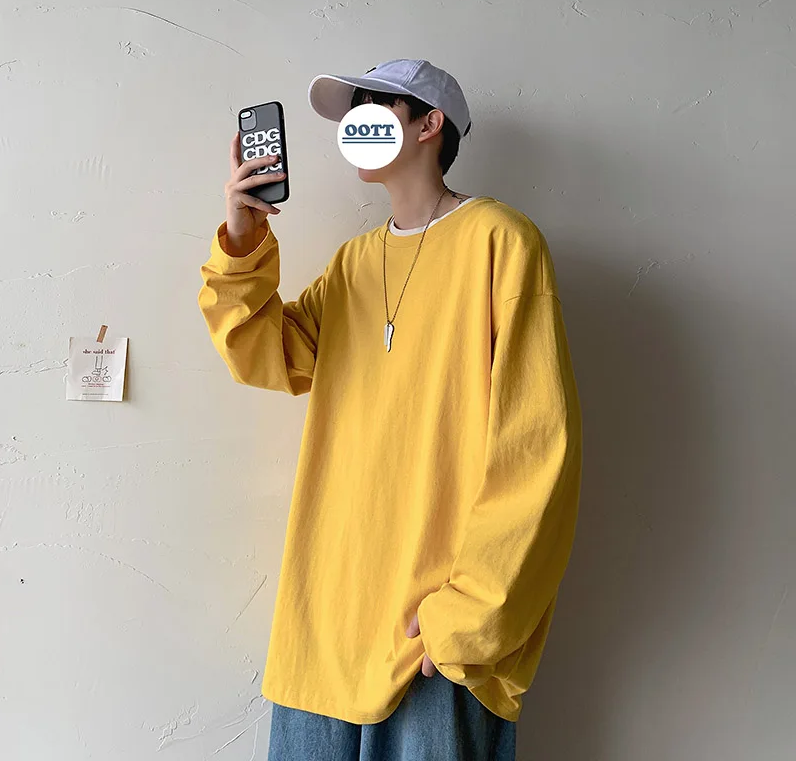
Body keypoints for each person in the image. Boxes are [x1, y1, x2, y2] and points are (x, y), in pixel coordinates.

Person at [197, 59, 583, 761]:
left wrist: (469, 614)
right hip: (325, 620)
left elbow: (537, 445)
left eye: (372, 108)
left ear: (430, 124)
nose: (354, 125)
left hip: (429, 634)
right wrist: (244, 239)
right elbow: (267, 355)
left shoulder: (501, 241)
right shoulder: (354, 262)